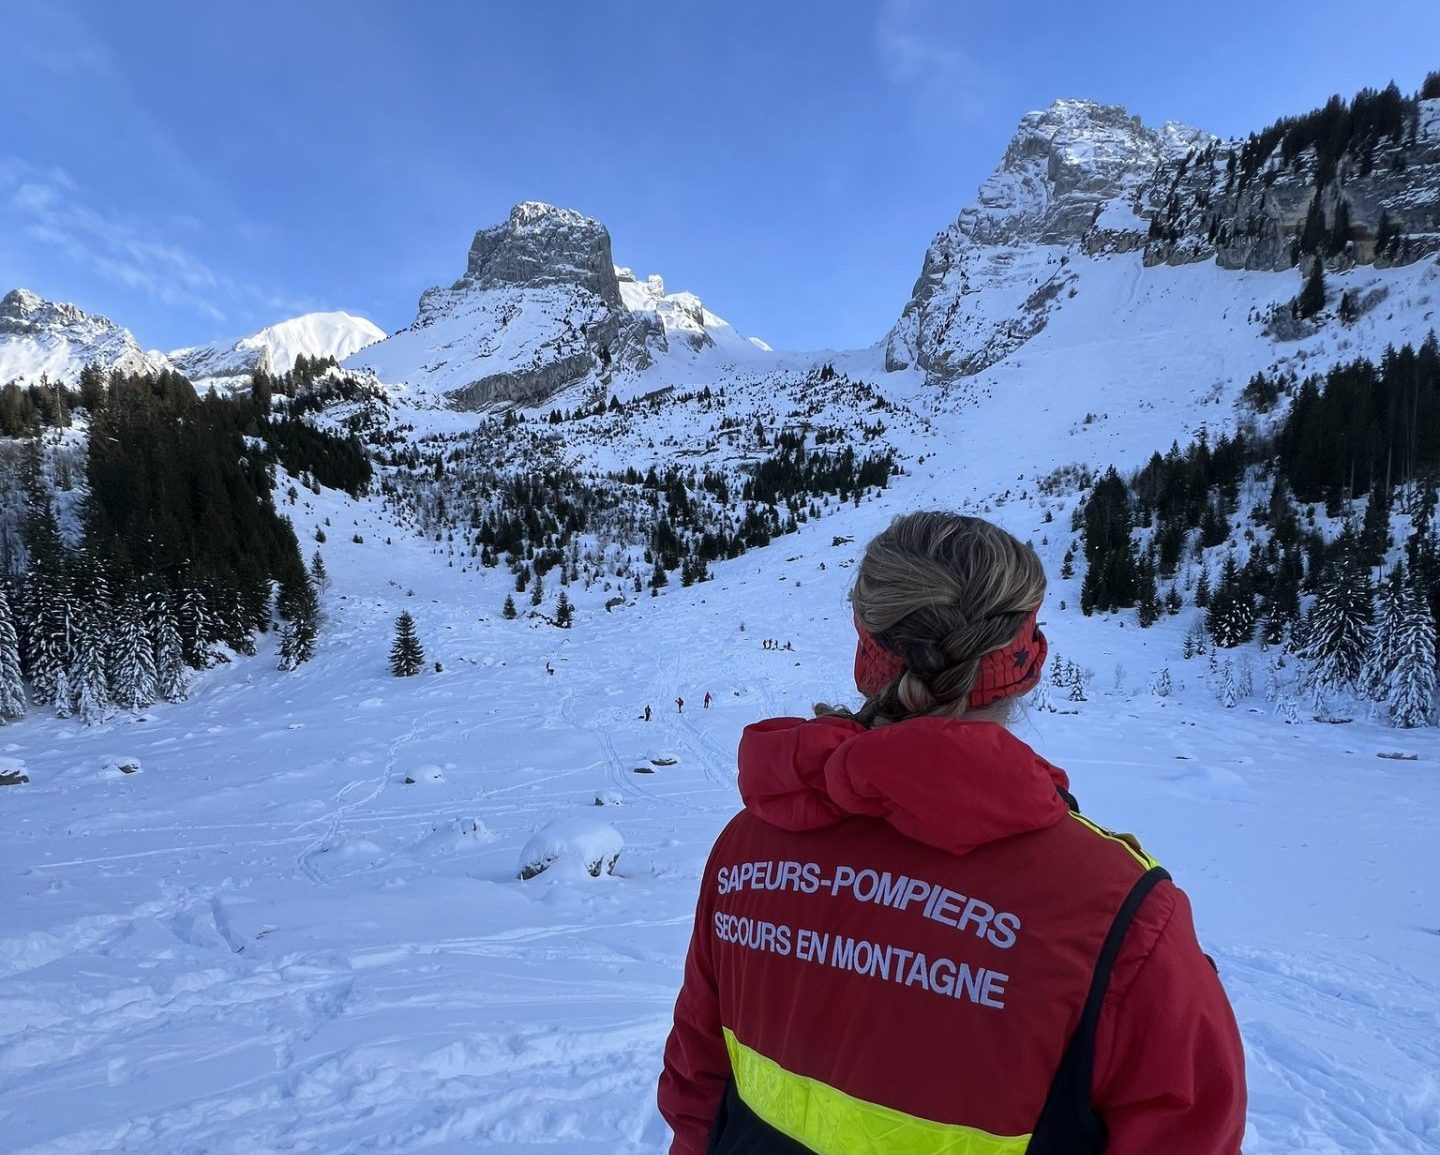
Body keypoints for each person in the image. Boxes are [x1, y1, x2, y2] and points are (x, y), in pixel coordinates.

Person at [658, 512, 1245, 1155]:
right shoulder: (1121, 916)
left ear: (866, 655)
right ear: (1024, 663)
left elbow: (697, 1091)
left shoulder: (750, 844)